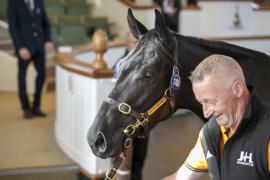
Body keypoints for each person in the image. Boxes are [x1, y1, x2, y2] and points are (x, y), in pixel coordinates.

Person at [163, 54, 270, 180]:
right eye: (201, 103)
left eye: (211, 101)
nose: (206, 113)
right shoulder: (210, 132)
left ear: (237, 89)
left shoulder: (266, 135)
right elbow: (179, 178)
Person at [7, 0, 54, 119]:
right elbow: (13, 27)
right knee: (22, 77)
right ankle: (26, 108)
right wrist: (20, 47)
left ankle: (36, 106)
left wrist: (48, 40)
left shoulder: (39, 1)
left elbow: (46, 23)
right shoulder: (13, 2)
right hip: (24, 48)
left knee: (42, 75)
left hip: (39, 46)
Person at [114, 32, 149, 180]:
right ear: (126, 44)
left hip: (142, 119)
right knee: (122, 164)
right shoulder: (120, 64)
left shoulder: (147, 65)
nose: (138, 47)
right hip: (124, 122)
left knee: (139, 160)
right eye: (135, 43)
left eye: (140, 43)